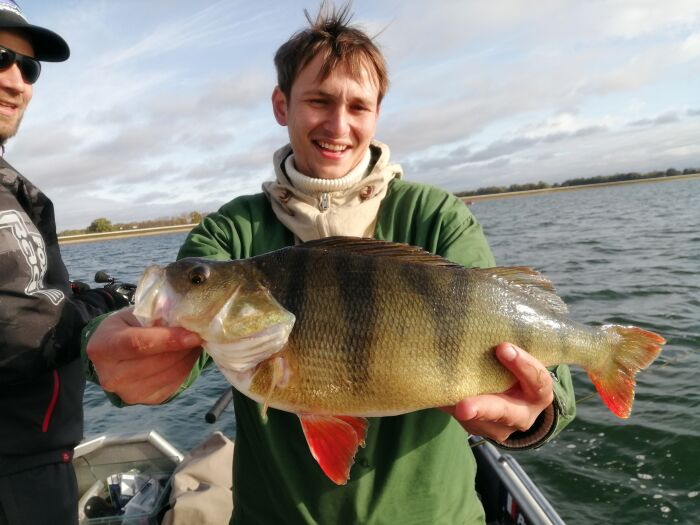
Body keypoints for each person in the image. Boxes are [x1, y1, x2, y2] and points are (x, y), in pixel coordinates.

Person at [84, 3, 576, 524]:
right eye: (319, 100)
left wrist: (537, 415)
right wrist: (106, 356)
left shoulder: (436, 218)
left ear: (377, 113)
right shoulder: (232, 233)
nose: (338, 125)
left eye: (358, 107)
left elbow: (544, 370)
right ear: (282, 104)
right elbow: (170, 348)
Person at [0, 2, 131, 524]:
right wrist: (101, 306)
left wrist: (71, 296)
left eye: (29, 67)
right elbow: (15, 328)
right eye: (0, 58)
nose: (17, 81)